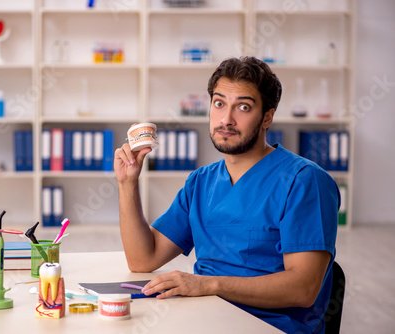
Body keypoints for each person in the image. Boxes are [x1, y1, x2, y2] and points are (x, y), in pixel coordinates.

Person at [114, 56, 340, 334]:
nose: (226, 119)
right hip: (203, 317)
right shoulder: (201, 182)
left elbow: (303, 289)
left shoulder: (304, 181)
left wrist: (209, 284)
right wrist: (127, 184)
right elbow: (142, 259)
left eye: (243, 107)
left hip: (270, 326)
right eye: (219, 103)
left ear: (267, 116)